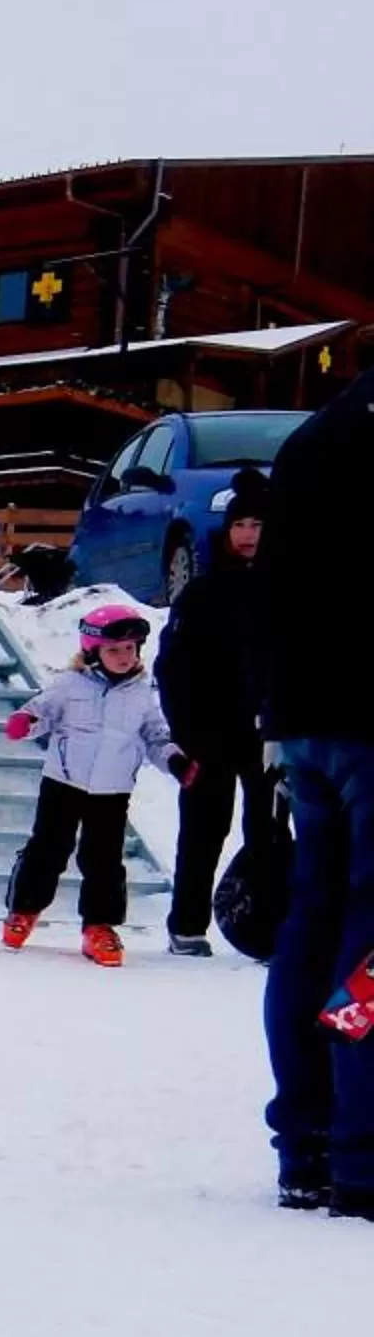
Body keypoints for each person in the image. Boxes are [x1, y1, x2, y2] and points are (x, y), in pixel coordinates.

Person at [253, 365, 374, 1216]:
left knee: (313, 922)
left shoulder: (310, 438)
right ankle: (363, 1157)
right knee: (368, 935)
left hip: (304, 714)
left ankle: (308, 1143)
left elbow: (269, 581)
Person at [0, 604, 193, 966]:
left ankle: (99, 926)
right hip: (63, 782)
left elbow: (155, 736)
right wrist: (25, 722)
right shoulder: (70, 685)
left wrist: (175, 762)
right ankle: (23, 910)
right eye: (113, 650)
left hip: (112, 790)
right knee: (48, 849)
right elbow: (41, 711)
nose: (124, 657)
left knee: (104, 858)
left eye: (130, 648)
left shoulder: (141, 694)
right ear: (92, 652)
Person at [154, 470, 280, 954]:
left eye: (258, 524)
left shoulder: (285, 593)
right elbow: (171, 668)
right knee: (203, 832)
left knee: (269, 834)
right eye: (239, 524)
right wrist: (187, 732)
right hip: (209, 735)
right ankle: (186, 927)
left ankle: (267, 930)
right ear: (226, 531)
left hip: (270, 735)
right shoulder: (202, 593)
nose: (248, 534)